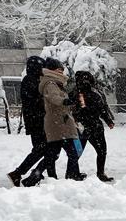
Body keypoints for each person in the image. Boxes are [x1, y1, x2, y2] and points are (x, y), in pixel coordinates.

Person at [22, 58, 84, 186]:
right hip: (58, 123)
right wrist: (65, 101)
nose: (61, 71)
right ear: (51, 70)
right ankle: (72, 176)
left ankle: (34, 177)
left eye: (62, 69)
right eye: (58, 69)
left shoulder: (55, 83)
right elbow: (54, 98)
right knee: (70, 152)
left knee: (52, 153)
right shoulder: (50, 83)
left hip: (58, 122)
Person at [8, 56, 57, 186]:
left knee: (43, 150)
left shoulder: (31, 80)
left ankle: (23, 174)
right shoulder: (32, 81)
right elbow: (37, 101)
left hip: (36, 120)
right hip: (38, 121)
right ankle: (20, 173)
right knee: (45, 150)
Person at [72, 71, 115, 182]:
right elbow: (102, 110)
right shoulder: (87, 94)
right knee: (99, 151)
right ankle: (99, 173)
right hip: (90, 127)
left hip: (84, 127)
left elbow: (101, 110)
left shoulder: (77, 94)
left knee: (78, 152)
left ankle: (73, 172)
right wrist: (108, 120)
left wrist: (108, 120)